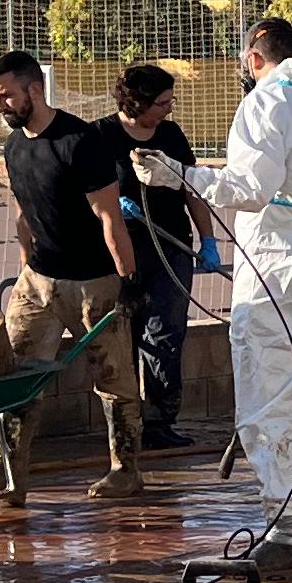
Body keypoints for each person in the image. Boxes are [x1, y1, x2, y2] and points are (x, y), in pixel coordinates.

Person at [166, 17, 292, 553]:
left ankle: (290, 525)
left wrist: (182, 175)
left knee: (270, 400)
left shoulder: (265, 105)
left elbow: (248, 188)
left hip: (277, 272)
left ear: (254, 59)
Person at [0, 50, 144, 499]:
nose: (1, 106)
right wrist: (23, 273)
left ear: (35, 89)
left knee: (112, 379)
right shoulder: (13, 146)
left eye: (7, 95)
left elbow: (110, 218)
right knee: (16, 381)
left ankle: (125, 468)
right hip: (38, 282)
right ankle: (10, 474)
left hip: (94, 282)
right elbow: (23, 213)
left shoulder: (81, 141)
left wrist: (128, 282)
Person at [110, 62, 202, 453]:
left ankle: (161, 421)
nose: (169, 108)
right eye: (162, 102)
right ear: (138, 102)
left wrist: (207, 240)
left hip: (172, 247)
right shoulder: (102, 136)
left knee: (166, 332)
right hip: (123, 249)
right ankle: (124, 424)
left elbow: (191, 188)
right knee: (123, 336)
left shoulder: (171, 135)